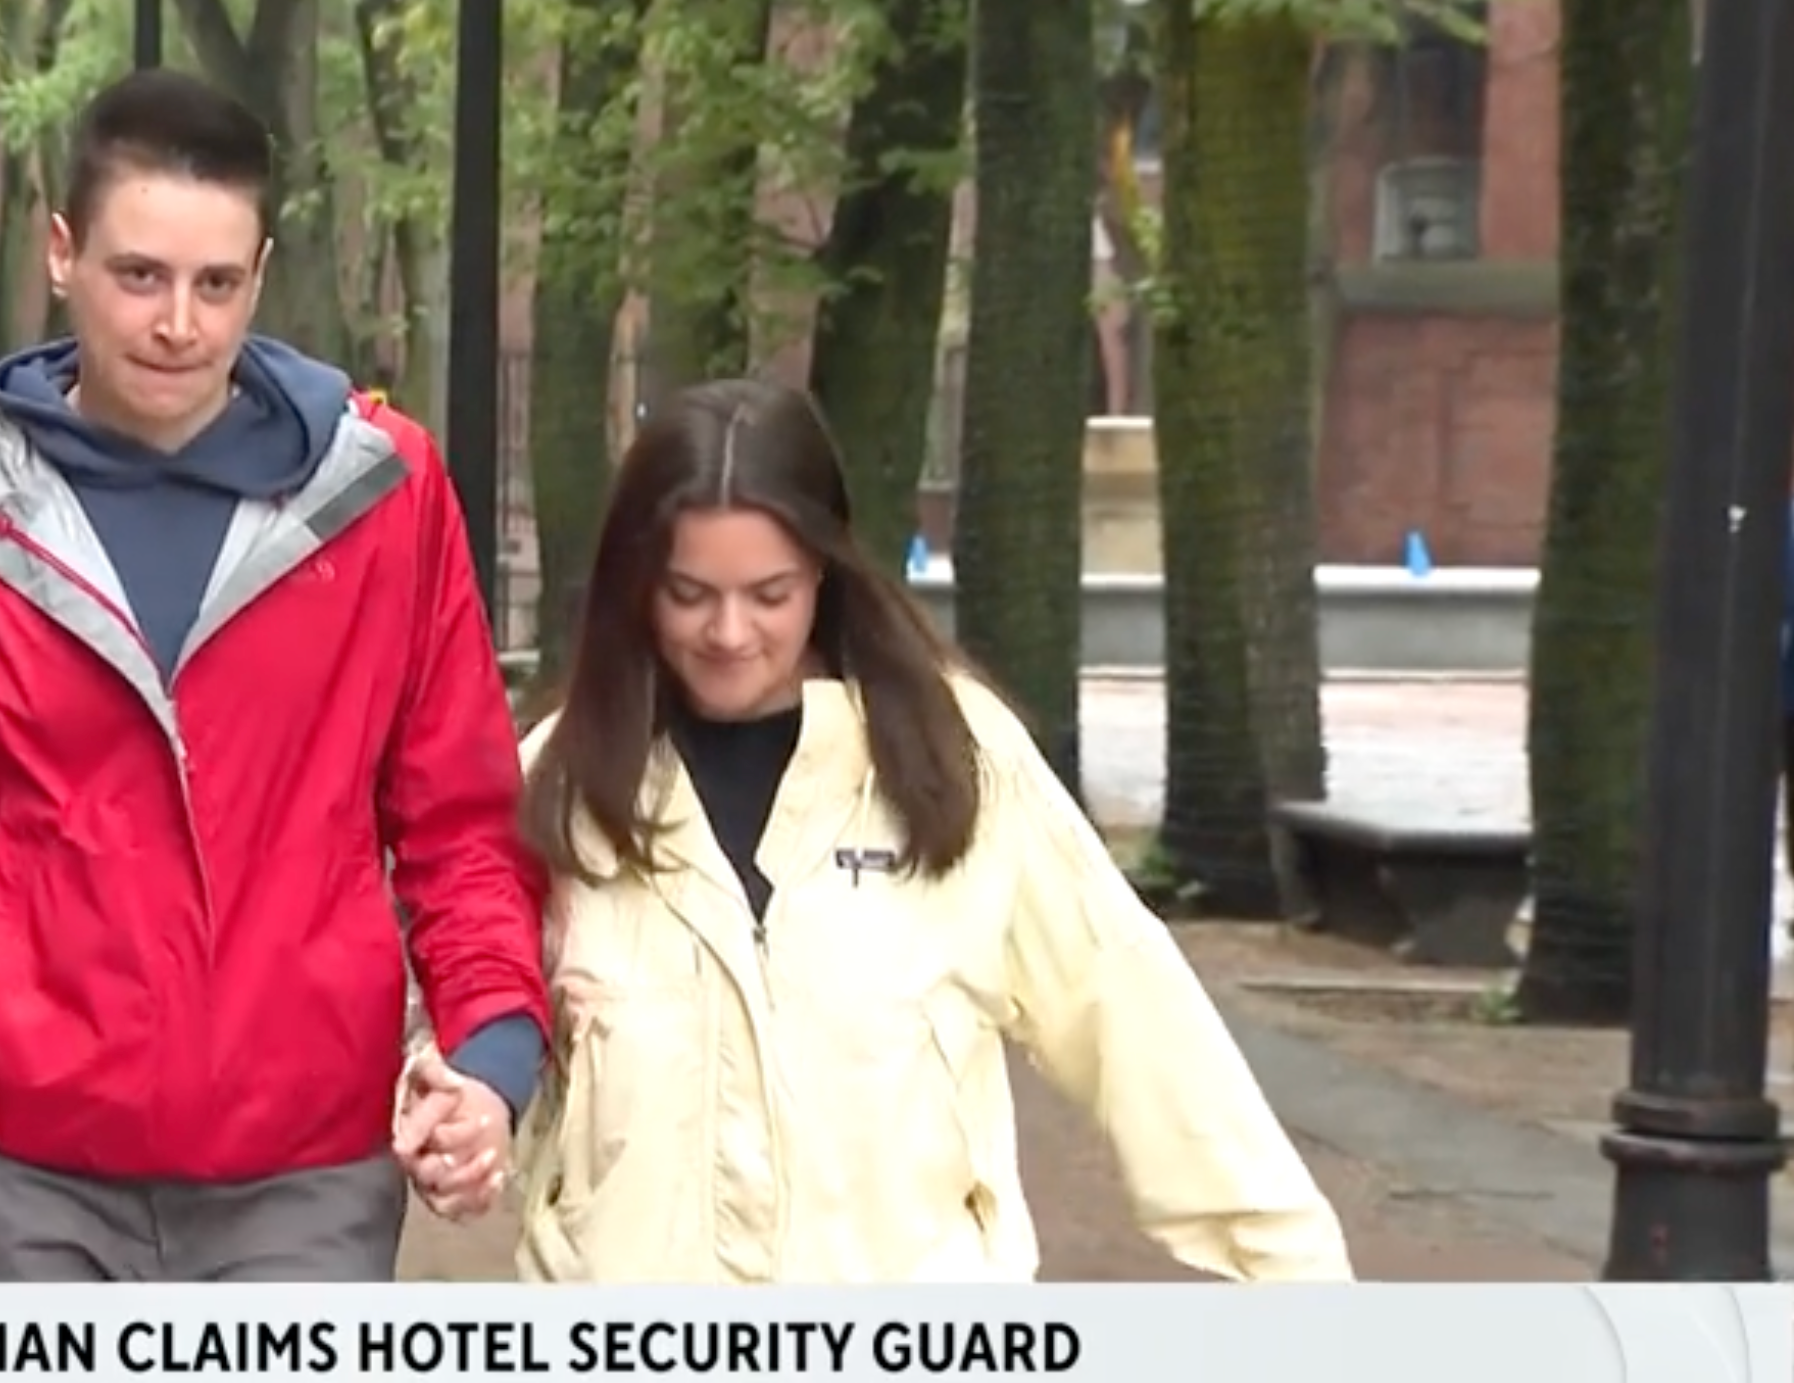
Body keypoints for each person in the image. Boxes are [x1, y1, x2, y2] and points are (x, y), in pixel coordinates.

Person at [0, 68, 548, 1283]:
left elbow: (461, 828)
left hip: (304, 1177)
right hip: (18, 1180)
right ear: (63, 253)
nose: (180, 324)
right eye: (140, 276)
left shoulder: (382, 499)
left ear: (258, 274)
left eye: (216, 283)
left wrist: (490, 1057)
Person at [405, 377, 1355, 1284]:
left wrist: (1295, 1281)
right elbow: (477, 1005)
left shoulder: (961, 759)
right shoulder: (554, 785)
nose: (729, 633)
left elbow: (1134, 1016)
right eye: (689, 594)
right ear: (633, 586)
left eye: (769, 594)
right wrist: (453, 1098)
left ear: (826, 569)